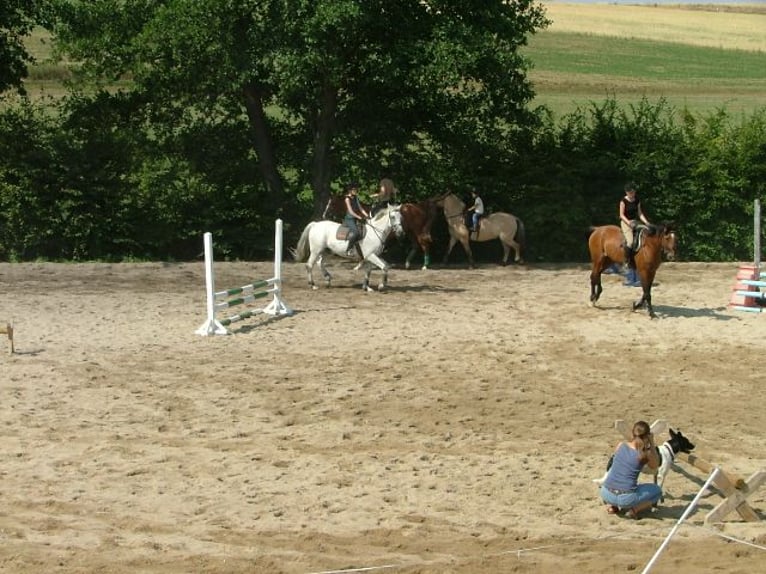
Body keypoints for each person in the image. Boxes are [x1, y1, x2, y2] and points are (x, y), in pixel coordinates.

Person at [600, 420, 662, 519]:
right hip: (626, 499)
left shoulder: (621, 445)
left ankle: (613, 507)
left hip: (606, 493)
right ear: (647, 436)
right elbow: (655, 465)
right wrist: (652, 443)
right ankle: (634, 510)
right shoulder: (644, 454)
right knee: (657, 491)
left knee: (619, 477)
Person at [619, 182, 650, 286]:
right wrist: (629, 223)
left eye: (633, 192)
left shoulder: (637, 200)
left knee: (646, 235)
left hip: (635, 221)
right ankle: (626, 262)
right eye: (631, 192)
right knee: (631, 242)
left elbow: (640, 213)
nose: (633, 194)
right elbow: (621, 215)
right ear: (627, 192)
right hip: (626, 222)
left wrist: (646, 223)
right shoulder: (623, 201)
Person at [343, 181, 370, 256]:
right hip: (349, 219)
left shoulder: (356, 198)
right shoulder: (347, 199)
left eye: (356, 190)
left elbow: (360, 208)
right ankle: (348, 249)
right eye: (354, 190)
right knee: (356, 232)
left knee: (364, 230)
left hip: (356, 218)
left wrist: (367, 215)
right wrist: (359, 217)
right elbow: (351, 211)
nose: (356, 191)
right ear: (350, 190)